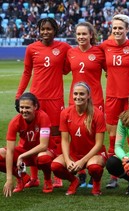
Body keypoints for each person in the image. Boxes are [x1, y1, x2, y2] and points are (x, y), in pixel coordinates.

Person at [15, 17, 71, 189]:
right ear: (38, 31)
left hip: (55, 99)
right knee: (34, 137)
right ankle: (34, 177)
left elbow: (68, 68)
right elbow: (26, 73)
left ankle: (58, 175)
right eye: (42, 29)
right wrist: (19, 95)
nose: (45, 32)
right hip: (35, 99)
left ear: (55, 30)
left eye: (49, 29)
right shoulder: (32, 49)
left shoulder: (64, 48)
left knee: (55, 135)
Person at [99, 14, 129, 189]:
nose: (117, 31)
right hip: (112, 96)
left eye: (120, 28)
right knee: (113, 138)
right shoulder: (104, 46)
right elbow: (101, 64)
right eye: (114, 28)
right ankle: (114, 176)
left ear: (127, 29)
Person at [65, 21, 106, 188]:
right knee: (75, 136)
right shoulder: (70, 52)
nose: (81, 37)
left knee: (94, 135)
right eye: (78, 34)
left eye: (84, 34)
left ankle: (94, 171)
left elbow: (110, 68)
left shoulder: (99, 52)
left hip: (95, 100)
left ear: (91, 35)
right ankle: (80, 173)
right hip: (74, 100)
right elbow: (64, 69)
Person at [51, 82, 107, 196]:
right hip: (74, 153)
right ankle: (74, 181)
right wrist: (67, 160)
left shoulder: (98, 114)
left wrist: (82, 161)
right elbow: (65, 140)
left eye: (82, 94)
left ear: (88, 96)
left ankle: (96, 183)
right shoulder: (65, 113)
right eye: (75, 94)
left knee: (94, 168)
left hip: (94, 154)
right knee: (55, 166)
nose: (78, 97)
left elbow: (99, 144)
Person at [1, 93, 55, 197]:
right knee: (1, 153)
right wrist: (8, 179)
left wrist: (21, 156)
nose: (24, 110)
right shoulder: (15, 122)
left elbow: (43, 145)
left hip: (42, 152)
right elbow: (10, 151)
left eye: (27, 107)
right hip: (25, 151)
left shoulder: (43, 117)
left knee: (43, 158)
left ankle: (48, 180)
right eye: (21, 107)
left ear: (35, 107)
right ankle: (22, 178)